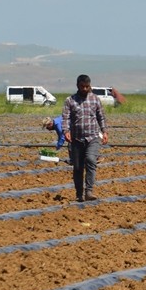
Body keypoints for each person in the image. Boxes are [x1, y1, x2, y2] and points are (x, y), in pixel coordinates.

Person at [62, 74, 108, 202]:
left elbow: (101, 117)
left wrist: (104, 131)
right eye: (82, 86)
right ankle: (79, 193)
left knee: (90, 160)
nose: (85, 89)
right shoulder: (70, 101)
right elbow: (65, 118)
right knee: (77, 167)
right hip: (76, 139)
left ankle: (89, 191)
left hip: (92, 137)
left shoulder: (95, 99)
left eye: (87, 86)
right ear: (78, 85)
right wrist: (66, 131)